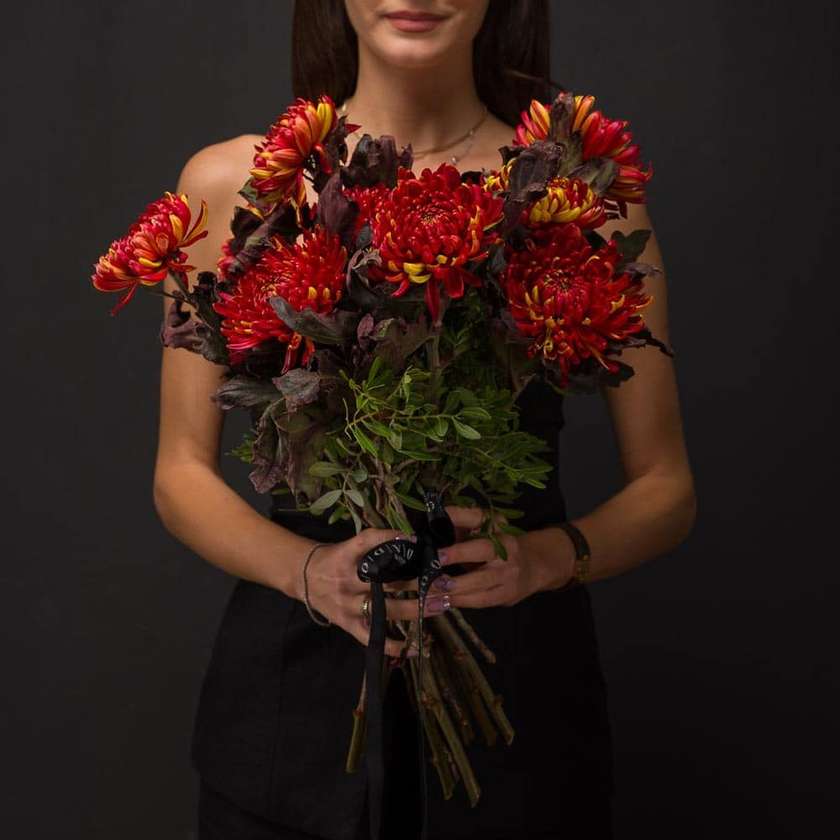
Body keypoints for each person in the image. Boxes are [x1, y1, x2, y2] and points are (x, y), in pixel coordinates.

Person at [152, 1, 697, 838]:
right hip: (291, 716)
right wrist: (309, 571)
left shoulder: (578, 195)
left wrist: (551, 559)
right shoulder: (234, 184)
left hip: (520, 706)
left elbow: (667, 489)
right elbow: (180, 474)